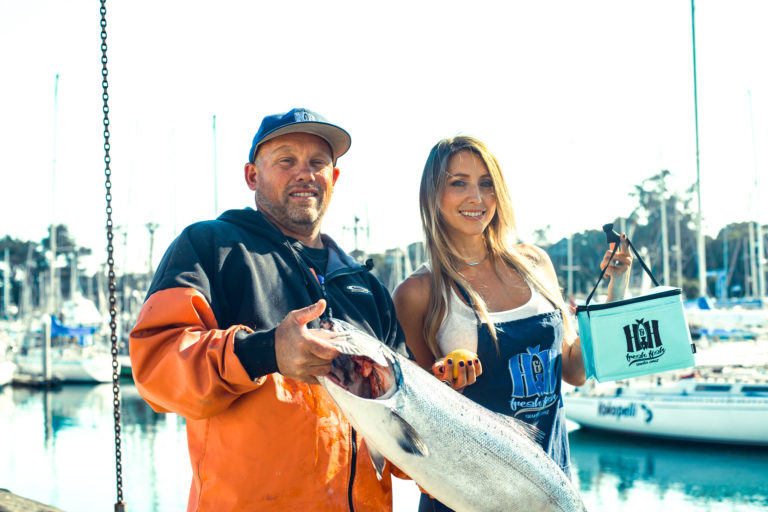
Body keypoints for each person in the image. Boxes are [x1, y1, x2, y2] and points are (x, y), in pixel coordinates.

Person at [129, 107, 409, 512]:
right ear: (252, 176)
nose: (304, 173)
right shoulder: (212, 248)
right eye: (286, 161)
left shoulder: (366, 287)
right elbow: (156, 369)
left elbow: (406, 442)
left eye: (318, 163)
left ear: (334, 178)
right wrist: (266, 353)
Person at [392, 135, 631, 512]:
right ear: (433, 196)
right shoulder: (418, 293)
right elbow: (419, 416)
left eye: (487, 184)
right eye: (459, 183)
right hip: (466, 497)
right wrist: (447, 376)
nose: (477, 197)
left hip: (550, 490)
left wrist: (616, 286)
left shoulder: (534, 263)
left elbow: (575, 370)